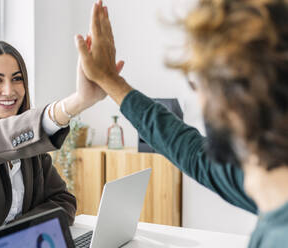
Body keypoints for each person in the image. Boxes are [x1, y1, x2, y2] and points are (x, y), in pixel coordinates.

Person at [75, 0, 288, 246]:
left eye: (198, 83)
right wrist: (110, 80)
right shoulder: (263, 179)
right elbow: (192, 152)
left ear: (232, 103)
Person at [0, 41, 123, 248]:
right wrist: (74, 104)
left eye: (17, 79)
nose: (9, 90)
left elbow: (63, 201)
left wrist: (18, 233)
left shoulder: (30, 147)